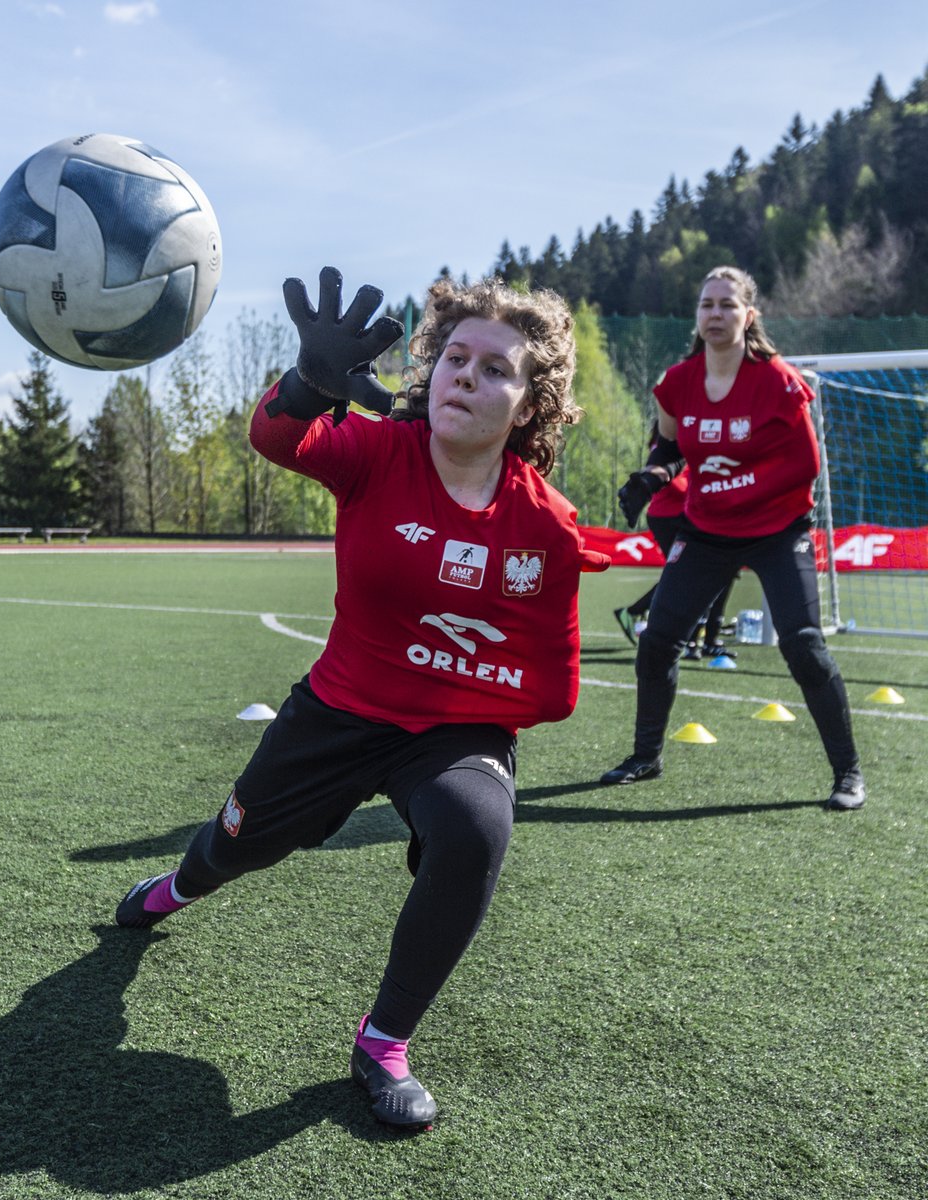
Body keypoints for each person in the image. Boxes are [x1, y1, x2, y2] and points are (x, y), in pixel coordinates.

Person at [115, 267, 609, 1131]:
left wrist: (468, 705)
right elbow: (277, 438)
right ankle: (182, 885)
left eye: (497, 368)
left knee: (476, 827)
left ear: (532, 404)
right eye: (456, 356)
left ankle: (383, 1042)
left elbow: (552, 684)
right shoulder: (379, 451)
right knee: (235, 848)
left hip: (453, 733)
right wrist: (307, 383)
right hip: (335, 715)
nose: (467, 374)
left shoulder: (548, 524)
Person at [600, 265, 865, 810]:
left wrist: (732, 484)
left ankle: (848, 773)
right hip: (707, 530)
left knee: (803, 645)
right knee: (657, 641)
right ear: (697, 316)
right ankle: (646, 756)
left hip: (778, 530)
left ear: (749, 315)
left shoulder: (778, 381)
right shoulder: (677, 383)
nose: (715, 314)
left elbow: (804, 467)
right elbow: (670, 449)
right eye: (706, 305)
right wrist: (651, 478)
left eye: (727, 304)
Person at [613, 425, 738, 660]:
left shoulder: (693, 436)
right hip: (668, 517)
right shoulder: (665, 444)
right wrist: (704, 485)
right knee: (688, 575)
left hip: (688, 516)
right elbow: (673, 483)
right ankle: (648, 620)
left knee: (708, 574)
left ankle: (704, 638)